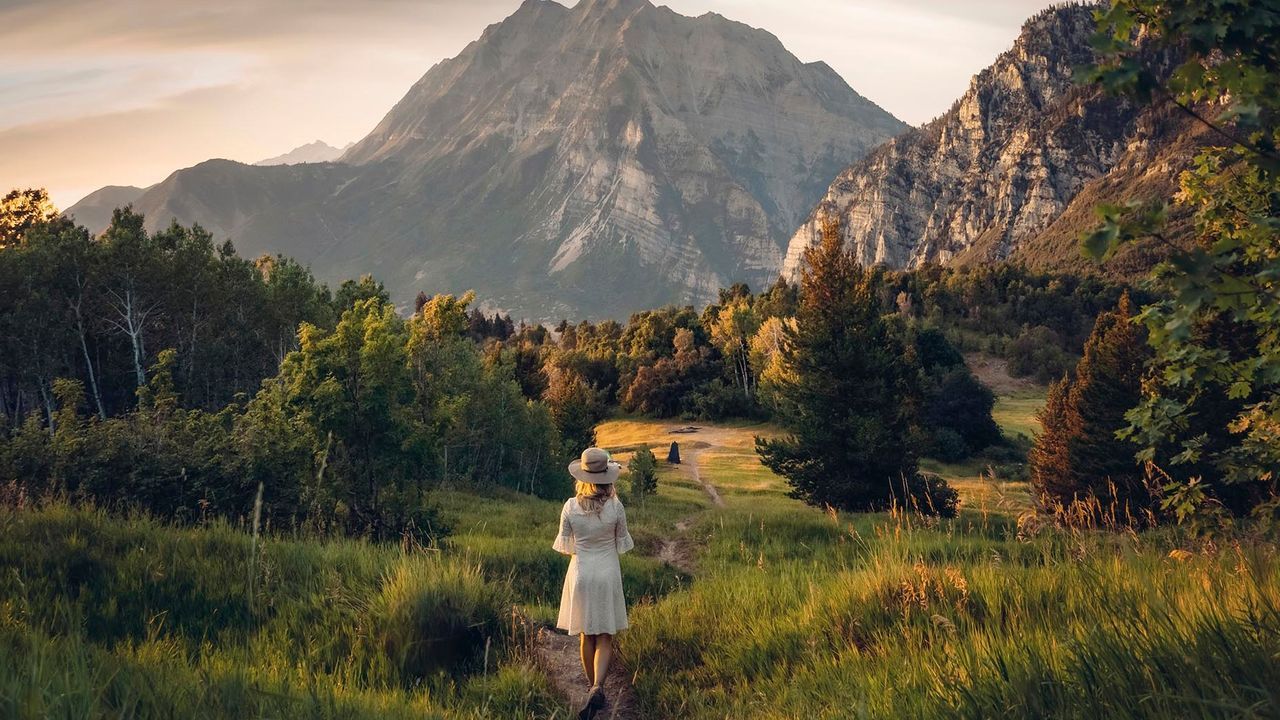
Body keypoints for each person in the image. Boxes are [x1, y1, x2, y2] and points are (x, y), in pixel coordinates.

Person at [553, 447, 635, 720]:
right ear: (607, 478)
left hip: (582, 573)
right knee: (605, 635)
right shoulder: (615, 506)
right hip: (607, 572)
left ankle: (592, 687)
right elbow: (622, 543)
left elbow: (565, 546)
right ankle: (599, 686)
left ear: (583, 477)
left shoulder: (570, 506)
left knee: (586, 635)